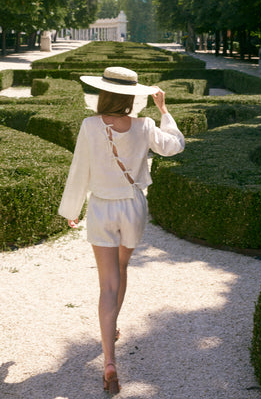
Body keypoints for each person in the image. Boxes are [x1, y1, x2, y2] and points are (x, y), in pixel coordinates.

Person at [58, 66, 185, 394]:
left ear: (103, 92)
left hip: (102, 207)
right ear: (132, 96)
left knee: (107, 285)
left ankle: (110, 360)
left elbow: (79, 170)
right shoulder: (145, 126)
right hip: (133, 206)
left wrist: (72, 210)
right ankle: (112, 327)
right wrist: (165, 111)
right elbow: (175, 146)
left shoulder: (89, 125)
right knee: (123, 268)